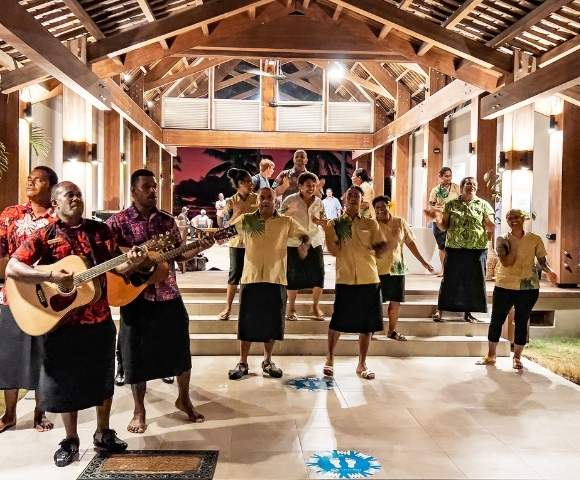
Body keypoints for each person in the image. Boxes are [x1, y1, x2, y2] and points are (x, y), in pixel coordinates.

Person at [6, 181, 146, 467]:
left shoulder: (100, 230)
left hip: (99, 319)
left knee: (103, 378)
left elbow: (116, 267)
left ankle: (103, 432)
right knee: (65, 382)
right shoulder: (45, 235)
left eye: (79, 194)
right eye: (70, 195)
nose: (77, 199)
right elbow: (13, 267)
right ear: (56, 204)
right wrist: (51, 277)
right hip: (62, 324)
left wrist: (133, 260)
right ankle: (70, 439)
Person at [107, 169, 213, 434]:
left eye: (154, 186)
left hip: (168, 295)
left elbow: (180, 254)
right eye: (146, 187)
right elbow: (105, 259)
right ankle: (139, 409)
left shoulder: (166, 221)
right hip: (135, 297)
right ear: (133, 191)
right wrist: (130, 263)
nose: (152, 191)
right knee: (135, 356)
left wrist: (200, 246)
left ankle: (184, 399)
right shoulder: (117, 223)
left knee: (180, 351)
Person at [227, 187, 309, 380]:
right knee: (246, 323)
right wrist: (237, 212)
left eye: (269, 198)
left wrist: (303, 246)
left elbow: (304, 235)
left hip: (276, 279)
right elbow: (228, 231)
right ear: (258, 201)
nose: (265, 201)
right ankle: (243, 362)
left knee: (272, 323)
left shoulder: (285, 222)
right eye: (262, 198)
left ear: (275, 201)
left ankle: (268, 361)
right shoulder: (247, 220)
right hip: (251, 277)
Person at [0, 166, 58, 434]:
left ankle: (39, 413)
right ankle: (9, 414)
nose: (31, 182)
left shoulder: (57, 220)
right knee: (8, 355)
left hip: (43, 297)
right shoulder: (10, 214)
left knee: (42, 356)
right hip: (9, 296)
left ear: (51, 186)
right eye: (29, 178)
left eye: (39, 179)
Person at [477, 209, 557, 370]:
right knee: (497, 320)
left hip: (528, 287)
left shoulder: (535, 239)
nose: (512, 220)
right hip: (504, 285)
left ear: (523, 219)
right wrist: (513, 244)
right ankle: (491, 355)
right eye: (509, 217)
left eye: (515, 217)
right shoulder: (502, 240)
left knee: (522, 321)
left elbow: (542, 261)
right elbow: (506, 263)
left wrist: (550, 272)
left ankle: (518, 357)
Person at [322, 186, 387, 380]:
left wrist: (385, 246)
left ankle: (362, 364)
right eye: (349, 195)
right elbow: (333, 250)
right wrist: (327, 230)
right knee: (337, 322)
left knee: (367, 325)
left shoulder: (371, 224)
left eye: (356, 196)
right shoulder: (334, 224)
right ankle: (330, 359)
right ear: (344, 199)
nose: (352, 198)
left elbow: (380, 249)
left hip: (369, 278)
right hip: (346, 278)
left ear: (362, 201)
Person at [425, 177, 495, 323]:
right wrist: (436, 218)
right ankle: (441, 310)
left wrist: (490, 229)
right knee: (450, 280)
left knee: (473, 281)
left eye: (474, 185)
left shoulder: (483, 205)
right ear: (462, 187)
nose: (472, 187)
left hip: (476, 249)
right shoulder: (451, 204)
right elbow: (444, 226)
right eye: (468, 184)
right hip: (455, 248)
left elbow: (490, 225)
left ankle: (468, 313)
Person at [373, 196, 434, 341]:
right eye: (377, 208)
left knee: (395, 302)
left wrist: (423, 262)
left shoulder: (400, 222)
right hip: (376, 269)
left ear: (389, 206)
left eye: (383, 206)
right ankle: (371, 330)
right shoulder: (372, 225)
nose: (380, 210)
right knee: (375, 302)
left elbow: (410, 243)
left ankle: (392, 331)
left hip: (397, 268)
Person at [281, 172, 326, 321]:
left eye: (313, 186)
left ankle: (315, 306)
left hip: (314, 241)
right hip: (294, 242)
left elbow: (323, 220)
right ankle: (292, 308)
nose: (311, 188)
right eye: (308, 185)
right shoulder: (289, 200)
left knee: (319, 274)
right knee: (293, 275)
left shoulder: (319, 202)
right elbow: (280, 220)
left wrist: (320, 221)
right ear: (300, 186)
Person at [218, 169, 258, 321]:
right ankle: (228, 307)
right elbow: (226, 225)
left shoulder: (258, 198)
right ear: (240, 183)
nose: (251, 183)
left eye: (251, 181)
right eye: (248, 181)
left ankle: (250, 309)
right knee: (234, 275)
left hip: (255, 243)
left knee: (252, 277)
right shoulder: (230, 201)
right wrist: (236, 214)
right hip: (236, 243)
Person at [428, 167, 461, 276]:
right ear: (440, 176)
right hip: (439, 219)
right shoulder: (436, 190)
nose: (448, 178)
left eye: (450, 176)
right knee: (442, 246)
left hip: (454, 219)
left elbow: (461, 201)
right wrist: (437, 208)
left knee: (455, 245)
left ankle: (455, 269)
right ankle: (444, 270)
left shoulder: (457, 187)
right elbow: (431, 204)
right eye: (446, 176)